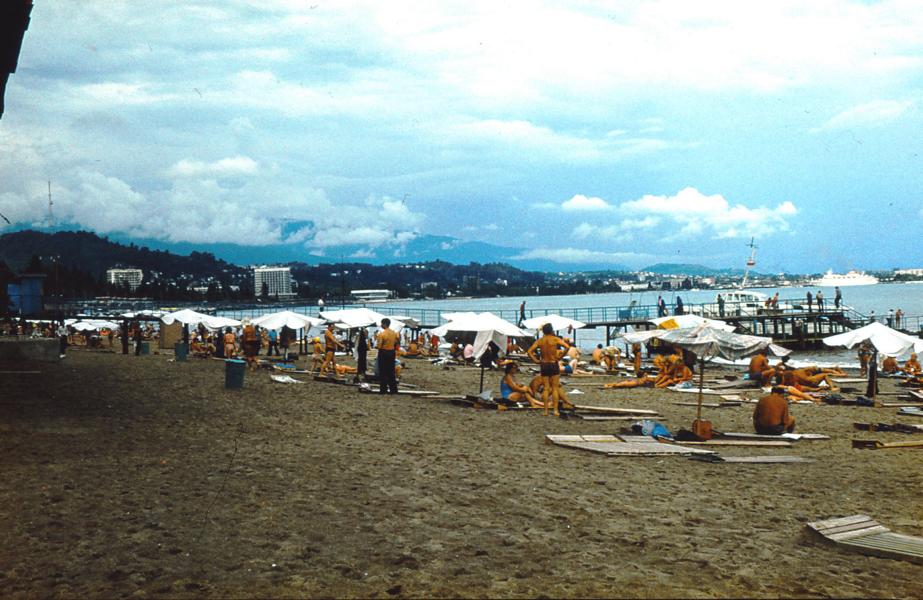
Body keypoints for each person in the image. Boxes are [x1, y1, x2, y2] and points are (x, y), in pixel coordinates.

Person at [526, 322, 570, 416]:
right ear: (551, 330)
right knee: (554, 388)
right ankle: (555, 410)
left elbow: (529, 352)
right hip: (553, 363)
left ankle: (545, 411)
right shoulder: (555, 339)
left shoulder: (540, 341)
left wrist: (536, 361)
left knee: (546, 388)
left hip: (544, 364)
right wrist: (561, 357)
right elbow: (567, 347)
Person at [376, 318, 400, 394]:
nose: (381, 325)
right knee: (391, 371)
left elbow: (379, 346)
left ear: (385, 324)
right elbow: (396, 343)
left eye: (382, 324)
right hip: (392, 352)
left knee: (383, 372)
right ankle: (393, 389)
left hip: (383, 352)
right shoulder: (394, 333)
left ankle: (383, 390)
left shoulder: (381, 334)